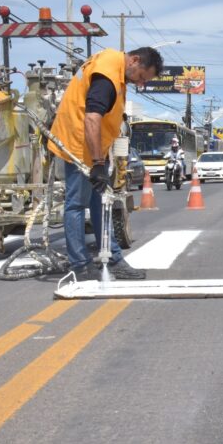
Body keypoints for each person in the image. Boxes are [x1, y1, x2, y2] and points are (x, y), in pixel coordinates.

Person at [49, 46, 163, 280]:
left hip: (92, 146)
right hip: (80, 146)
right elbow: (92, 117)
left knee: (102, 203)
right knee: (76, 205)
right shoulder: (108, 76)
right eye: (142, 77)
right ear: (135, 60)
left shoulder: (113, 64)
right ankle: (80, 266)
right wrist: (98, 163)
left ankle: (113, 259)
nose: (140, 83)